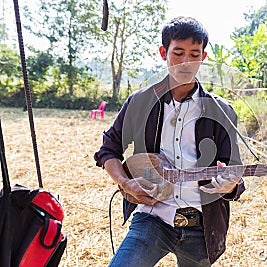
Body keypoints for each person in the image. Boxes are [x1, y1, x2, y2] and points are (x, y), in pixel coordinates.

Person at [94, 16, 245, 267]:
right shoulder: (140, 102)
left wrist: (228, 185)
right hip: (152, 217)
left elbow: (234, 173)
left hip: (201, 226)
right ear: (164, 52)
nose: (186, 62)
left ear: (203, 57)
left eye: (194, 54)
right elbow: (108, 149)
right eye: (178, 53)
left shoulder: (221, 111)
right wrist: (125, 183)